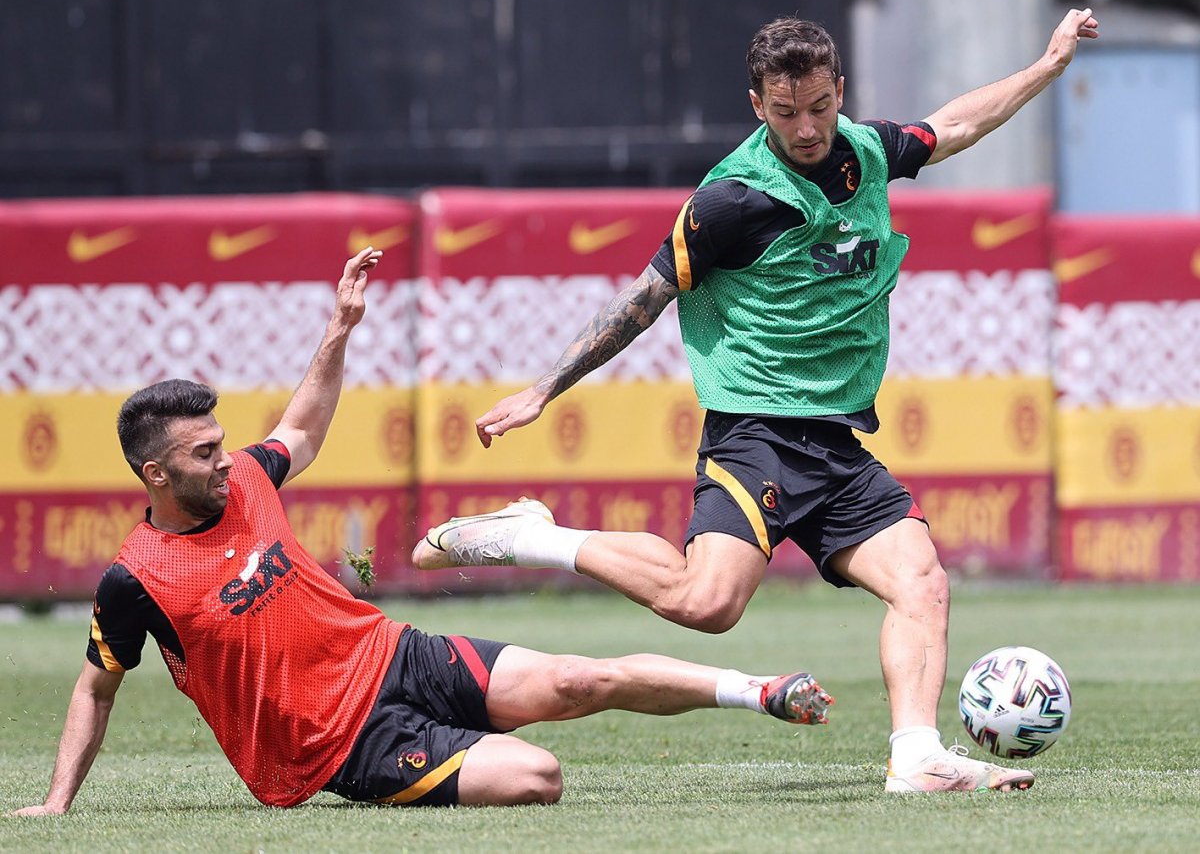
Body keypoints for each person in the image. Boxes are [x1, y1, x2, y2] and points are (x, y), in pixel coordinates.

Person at [413, 8, 1102, 795]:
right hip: (757, 433)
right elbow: (642, 301)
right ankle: (535, 538)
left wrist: (1046, 68)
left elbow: (955, 124)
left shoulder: (867, 151)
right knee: (706, 604)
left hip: (836, 444)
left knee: (923, 581)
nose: (806, 128)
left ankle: (916, 756)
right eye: (785, 113)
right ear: (756, 105)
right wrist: (544, 389)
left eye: (819, 108)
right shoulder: (731, 201)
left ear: (839, 92)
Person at [9, 248, 833, 817]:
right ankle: (468, 742)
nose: (227, 460)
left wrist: (340, 327)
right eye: (202, 453)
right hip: (339, 747)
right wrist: (55, 802)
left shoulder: (250, 478)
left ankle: (759, 690)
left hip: (395, 652)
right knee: (537, 778)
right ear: (155, 475)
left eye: (223, 442)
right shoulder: (134, 579)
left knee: (583, 679)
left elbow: (300, 426)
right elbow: (95, 687)